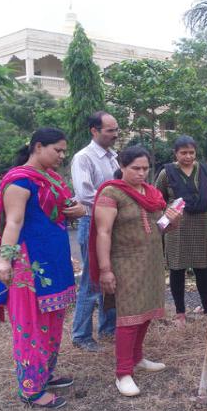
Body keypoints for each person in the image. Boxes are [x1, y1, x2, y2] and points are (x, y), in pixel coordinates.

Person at [0, 127, 86, 409]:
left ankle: (44, 375)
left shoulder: (51, 178)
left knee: (53, 321)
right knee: (31, 324)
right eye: (58, 150)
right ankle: (30, 390)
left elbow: (66, 207)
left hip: (54, 259)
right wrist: (5, 261)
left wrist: (79, 211)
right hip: (30, 265)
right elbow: (13, 223)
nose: (62, 156)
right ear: (38, 147)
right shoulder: (19, 182)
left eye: (64, 151)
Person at [90, 146, 182, 396]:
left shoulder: (150, 192)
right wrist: (105, 270)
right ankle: (123, 373)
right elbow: (103, 232)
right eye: (135, 168)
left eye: (145, 168)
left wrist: (172, 220)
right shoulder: (111, 193)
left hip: (151, 260)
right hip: (125, 261)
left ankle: (138, 358)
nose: (141, 173)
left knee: (146, 312)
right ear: (122, 166)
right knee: (129, 317)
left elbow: (160, 227)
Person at [69, 111, 120, 351]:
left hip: (111, 223)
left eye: (116, 130)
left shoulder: (113, 157)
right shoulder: (84, 158)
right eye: (110, 130)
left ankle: (109, 329)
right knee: (91, 281)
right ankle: (81, 335)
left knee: (110, 279)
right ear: (94, 131)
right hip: (92, 222)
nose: (115, 134)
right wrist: (113, 203)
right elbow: (85, 194)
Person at [156, 135, 207, 325]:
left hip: (202, 224)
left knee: (203, 269)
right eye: (183, 153)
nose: (188, 156)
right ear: (176, 153)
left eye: (191, 152)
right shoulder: (167, 173)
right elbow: (158, 198)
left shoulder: (205, 170)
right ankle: (180, 312)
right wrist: (168, 214)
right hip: (177, 227)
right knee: (177, 269)